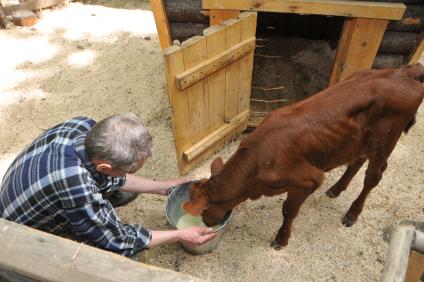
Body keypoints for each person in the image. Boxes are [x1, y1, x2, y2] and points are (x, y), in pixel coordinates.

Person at [0, 113, 216, 257]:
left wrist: (162, 187)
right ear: (103, 167)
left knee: (123, 193)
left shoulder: (84, 126)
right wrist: (180, 234)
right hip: (16, 231)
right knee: (123, 253)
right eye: (128, 170)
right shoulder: (77, 187)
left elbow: (113, 176)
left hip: (28, 188)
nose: (128, 175)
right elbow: (118, 239)